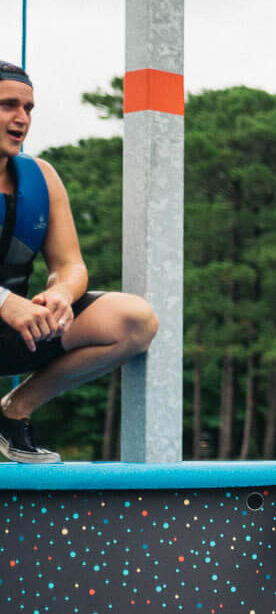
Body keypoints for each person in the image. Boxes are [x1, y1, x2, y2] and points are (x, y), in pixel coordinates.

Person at [0, 61, 160, 463]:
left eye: (29, 108)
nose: (22, 119)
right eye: (8, 106)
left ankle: (12, 414)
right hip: (8, 312)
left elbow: (71, 264)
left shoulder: (43, 178)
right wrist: (5, 303)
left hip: (19, 331)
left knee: (135, 319)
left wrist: (61, 294)